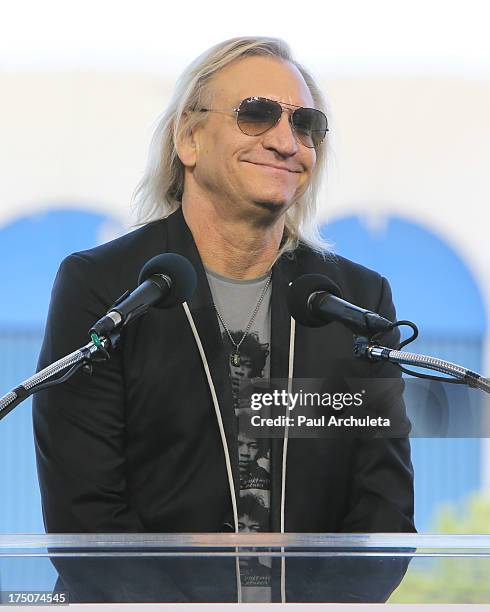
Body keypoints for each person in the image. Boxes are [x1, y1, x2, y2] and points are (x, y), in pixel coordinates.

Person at [33, 36, 415, 603]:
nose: (287, 142)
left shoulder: (355, 301)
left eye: (305, 123)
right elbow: (85, 516)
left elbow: (383, 514)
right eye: (256, 115)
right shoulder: (106, 289)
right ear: (188, 137)